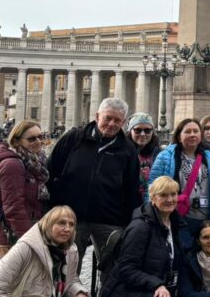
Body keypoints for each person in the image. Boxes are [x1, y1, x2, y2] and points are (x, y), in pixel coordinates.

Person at [47, 97, 140, 271]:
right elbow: (50, 171)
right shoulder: (74, 138)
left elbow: (132, 188)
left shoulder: (128, 150)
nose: (111, 124)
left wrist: (129, 222)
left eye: (117, 120)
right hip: (71, 217)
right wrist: (52, 208)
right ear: (97, 116)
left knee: (113, 269)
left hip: (110, 219)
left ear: (124, 122)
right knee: (67, 268)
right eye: (108, 118)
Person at [148, 117, 210, 250]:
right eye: (187, 131)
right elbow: (152, 190)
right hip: (178, 218)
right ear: (179, 135)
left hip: (207, 219)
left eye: (196, 131)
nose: (192, 134)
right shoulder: (165, 157)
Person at [0, 119, 50, 260]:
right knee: (17, 281)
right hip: (12, 237)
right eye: (32, 139)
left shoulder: (34, 162)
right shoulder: (12, 165)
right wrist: (31, 241)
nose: (38, 141)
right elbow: (14, 209)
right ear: (16, 141)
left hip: (26, 231)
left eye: (41, 136)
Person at [128, 113, 162, 202]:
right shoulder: (123, 153)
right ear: (130, 131)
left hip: (152, 204)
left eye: (147, 130)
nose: (142, 134)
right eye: (137, 130)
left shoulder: (160, 155)